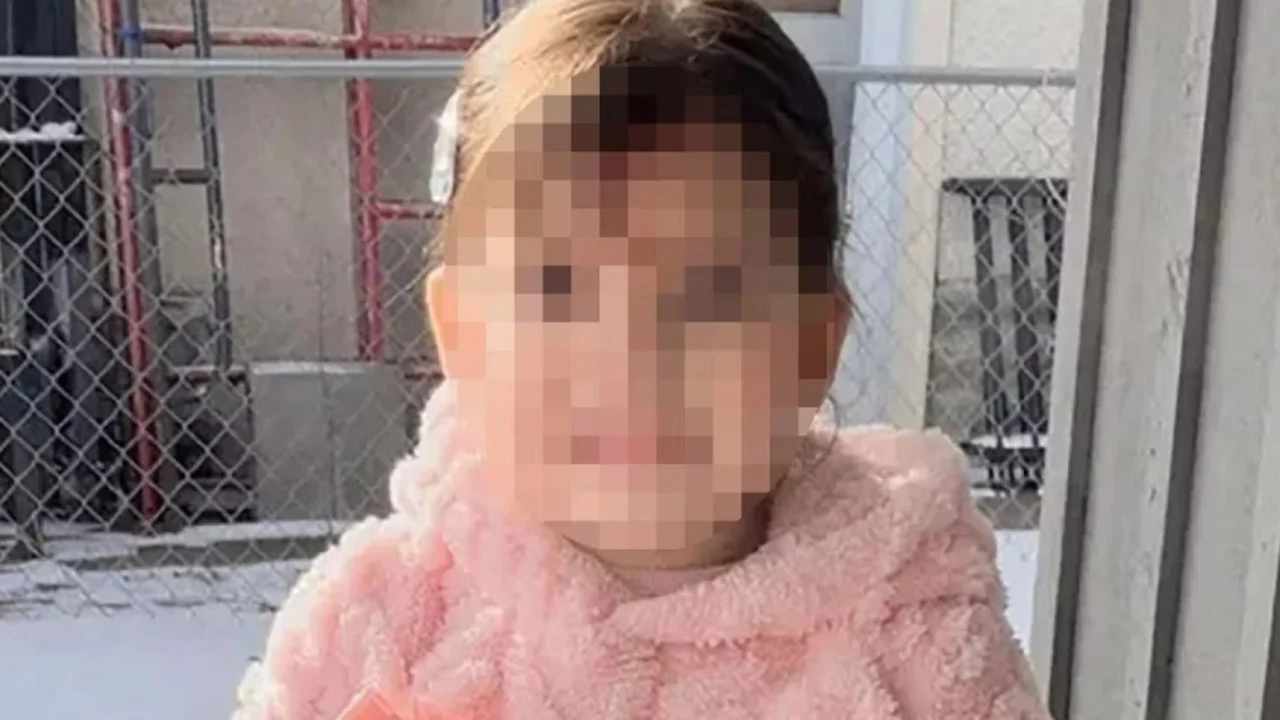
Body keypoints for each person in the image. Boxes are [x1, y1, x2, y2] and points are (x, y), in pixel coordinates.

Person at [234, 0, 1048, 716]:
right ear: (462, 333)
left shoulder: (918, 640)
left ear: (812, 345)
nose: (630, 351)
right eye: (555, 286)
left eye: (710, 290)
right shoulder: (373, 632)